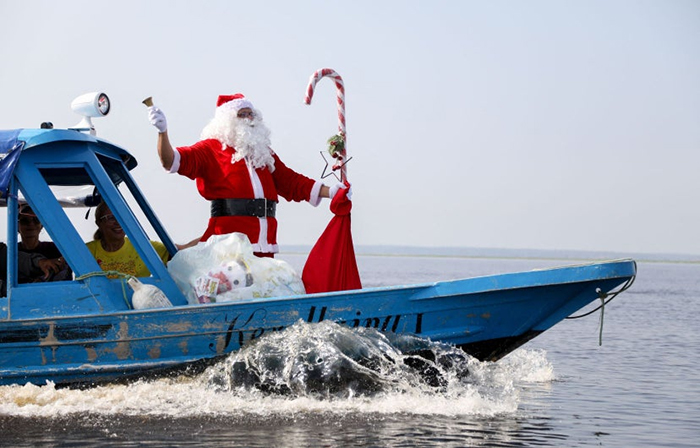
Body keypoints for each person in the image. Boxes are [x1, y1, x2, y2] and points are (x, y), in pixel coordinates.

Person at [148, 93, 346, 257]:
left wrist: (332, 192)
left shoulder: (263, 153)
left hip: (264, 243)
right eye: (242, 114)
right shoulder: (211, 149)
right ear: (227, 121)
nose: (249, 119)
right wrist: (162, 132)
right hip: (229, 248)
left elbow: (291, 182)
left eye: (251, 114)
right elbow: (171, 161)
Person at [85, 201, 170, 277]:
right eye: (111, 218)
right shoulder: (86, 251)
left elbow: (178, 252)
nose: (118, 222)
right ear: (99, 223)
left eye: (121, 217)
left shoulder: (143, 247)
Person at [17, 205, 72, 282]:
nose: (31, 224)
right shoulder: (11, 253)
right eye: (25, 221)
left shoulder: (56, 249)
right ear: (17, 226)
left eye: (36, 220)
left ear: (41, 226)